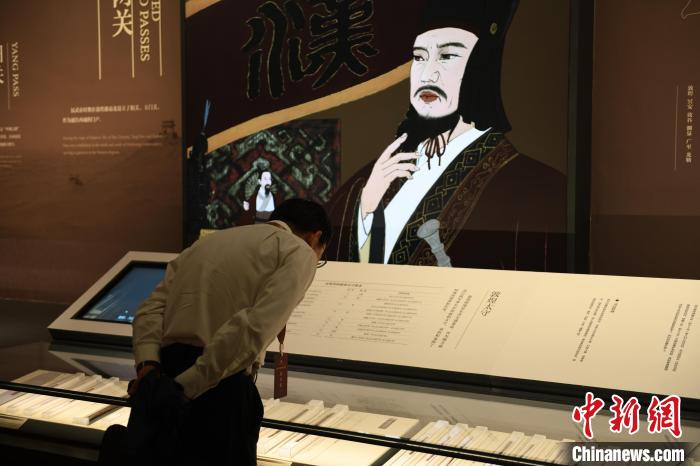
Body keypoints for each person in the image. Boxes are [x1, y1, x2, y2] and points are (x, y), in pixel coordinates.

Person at [326, 0, 567, 271]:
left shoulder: (537, 189)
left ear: (481, 67)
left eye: (447, 56)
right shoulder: (375, 178)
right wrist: (367, 206)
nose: (428, 74)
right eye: (420, 57)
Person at [129, 198, 331, 466]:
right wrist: (185, 388)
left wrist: (148, 367)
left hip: (162, 374)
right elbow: (254, 328)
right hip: (218, 388)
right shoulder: (298, 251)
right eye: (320, 256)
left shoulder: (205, 243)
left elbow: (151, 309)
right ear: (314, 237)